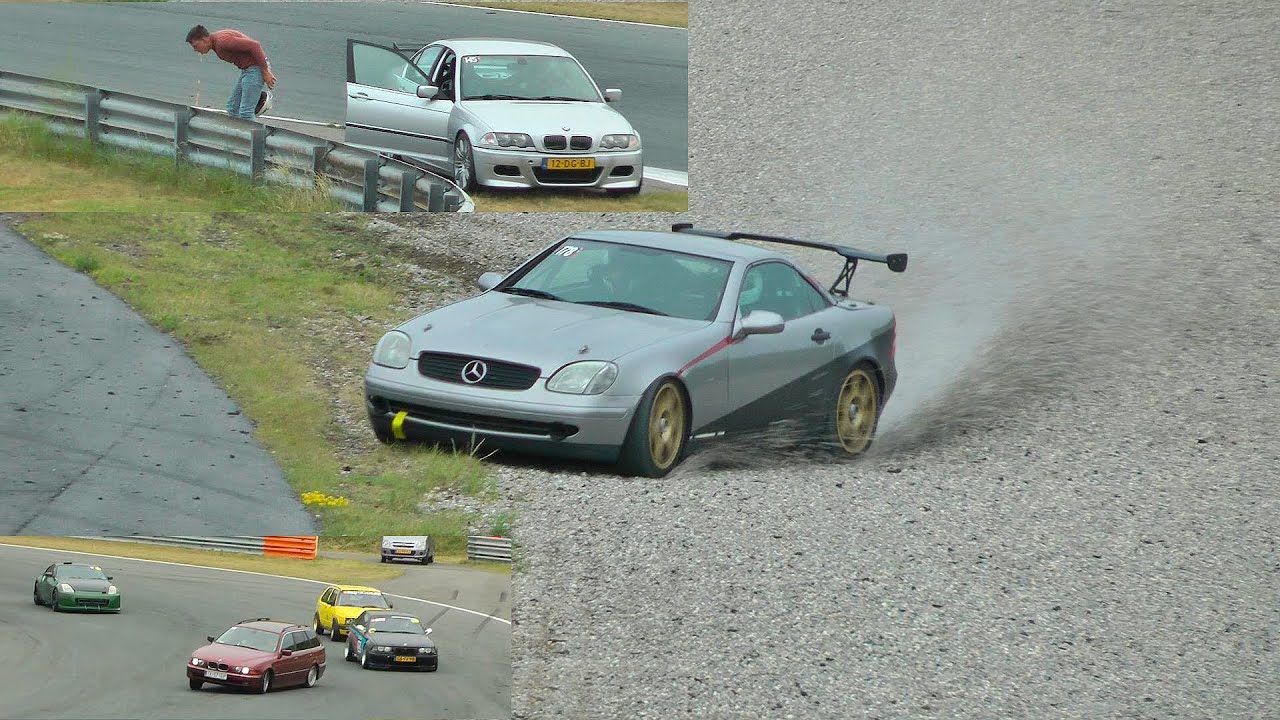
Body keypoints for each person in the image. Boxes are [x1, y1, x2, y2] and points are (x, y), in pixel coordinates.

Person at [185, 25, 277, 120]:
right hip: (248, 70)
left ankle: (252, 129)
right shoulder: (217, 41)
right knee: (233, 108)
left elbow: (254, 45)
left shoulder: (222, 42)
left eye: (195, 46)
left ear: (204, 40)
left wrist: (265, 71)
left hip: (256, 69)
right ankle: (240, 128)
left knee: (246, 112)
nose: (195, 50)